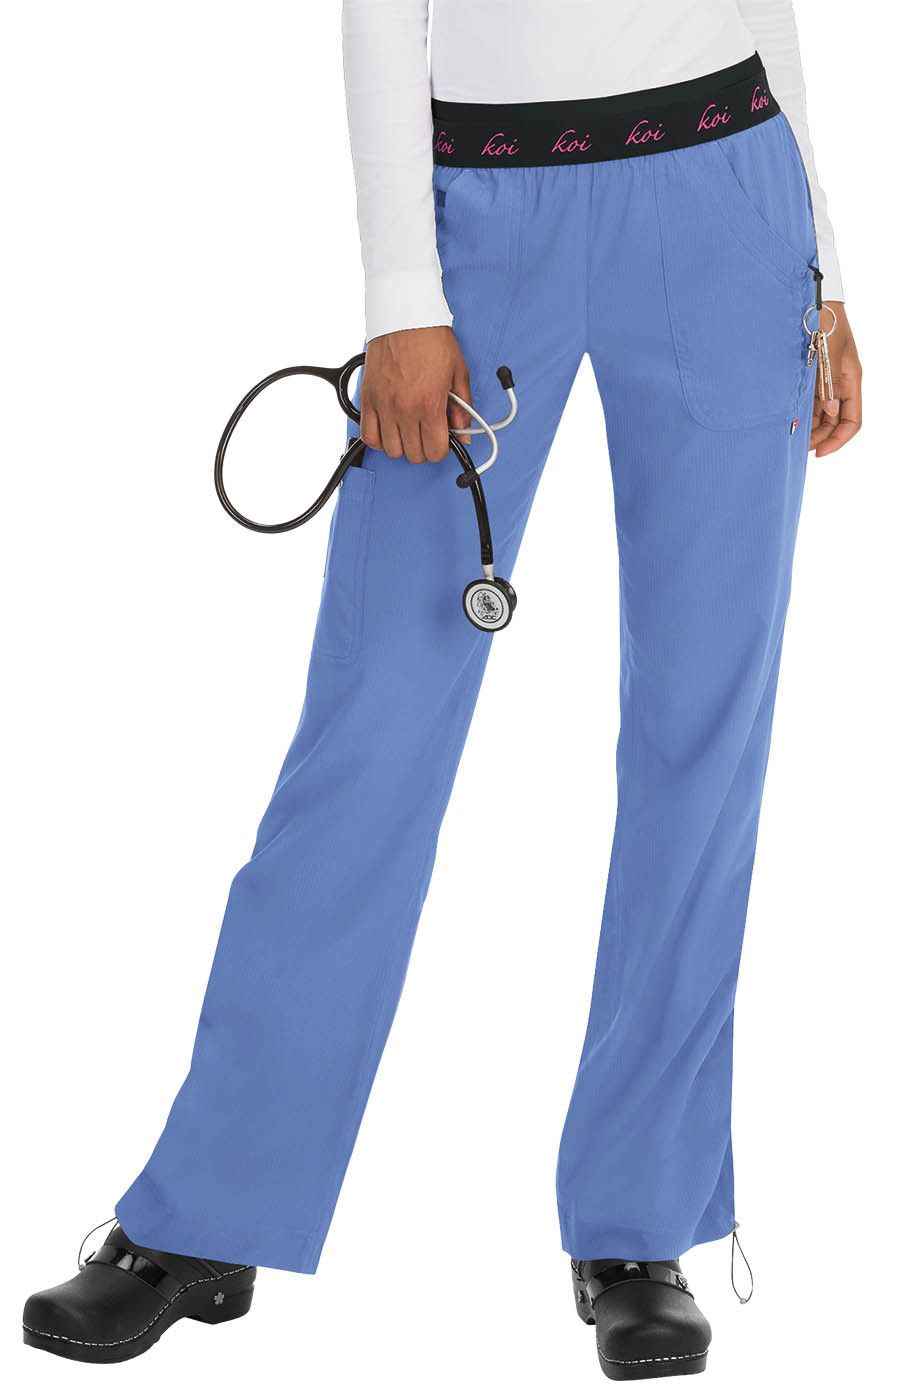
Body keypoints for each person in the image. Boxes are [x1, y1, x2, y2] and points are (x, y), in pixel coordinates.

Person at [23, 0, 862, 1380]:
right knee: (375, 719)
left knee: (704, 731)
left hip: (728, 199)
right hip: (485, 222)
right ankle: (206, 1213)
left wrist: (823, 260)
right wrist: (401, 296)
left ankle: (641, 1224)